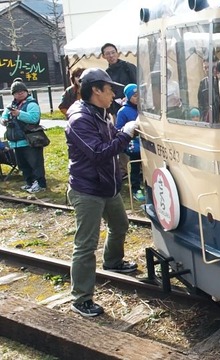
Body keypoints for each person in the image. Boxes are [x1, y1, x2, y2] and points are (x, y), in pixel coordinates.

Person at [65, 68, 139, 317]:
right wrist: (126, 135)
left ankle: (113, 262)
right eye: (109, 89)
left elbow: (109, 141)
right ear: (96, 90)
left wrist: (122, 133)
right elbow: (98, 153)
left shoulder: (102, 112)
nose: (113, 94)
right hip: (87, 190)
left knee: (120, 225)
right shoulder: (80, 119)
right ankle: (81, 298)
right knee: (86, 245)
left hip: (107, 185)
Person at [0, 78, 46, 193]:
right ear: (13, 94)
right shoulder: (10, 105)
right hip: (15, 141)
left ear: (26, 91)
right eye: (16, 92)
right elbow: (3, 117)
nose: (20, 93)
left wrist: (19, 114)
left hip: (30, 140)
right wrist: (4, 120)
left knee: (35, 163)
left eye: (22, 91)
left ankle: (40, 184)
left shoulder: (31, 104)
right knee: (23, 165)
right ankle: (29, 183)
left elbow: (34, 119)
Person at [115, 83, 144, 202]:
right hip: (133, 143)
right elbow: (118, 129)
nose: (138, 98)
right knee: (135, 166)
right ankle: (136, 188)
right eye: (135, 96)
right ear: (128, 97)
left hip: (146, 142)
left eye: (140, 95)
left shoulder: (145, 108)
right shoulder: (123, 111)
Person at [102, 43, 137, 115]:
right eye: (108, 54)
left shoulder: (128, 67)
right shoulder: (106, 73)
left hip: (133, 106)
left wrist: (128, 97)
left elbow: (139, 85)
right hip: (116, 108)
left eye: (113, 52)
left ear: (117, 53)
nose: (111, 56)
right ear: (103, 56)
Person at [197, 55, 220, 123]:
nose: (207, 70)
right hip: (208, 119)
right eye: (205, 68)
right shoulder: (202, 83)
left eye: (209, 67)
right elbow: (200, 104)